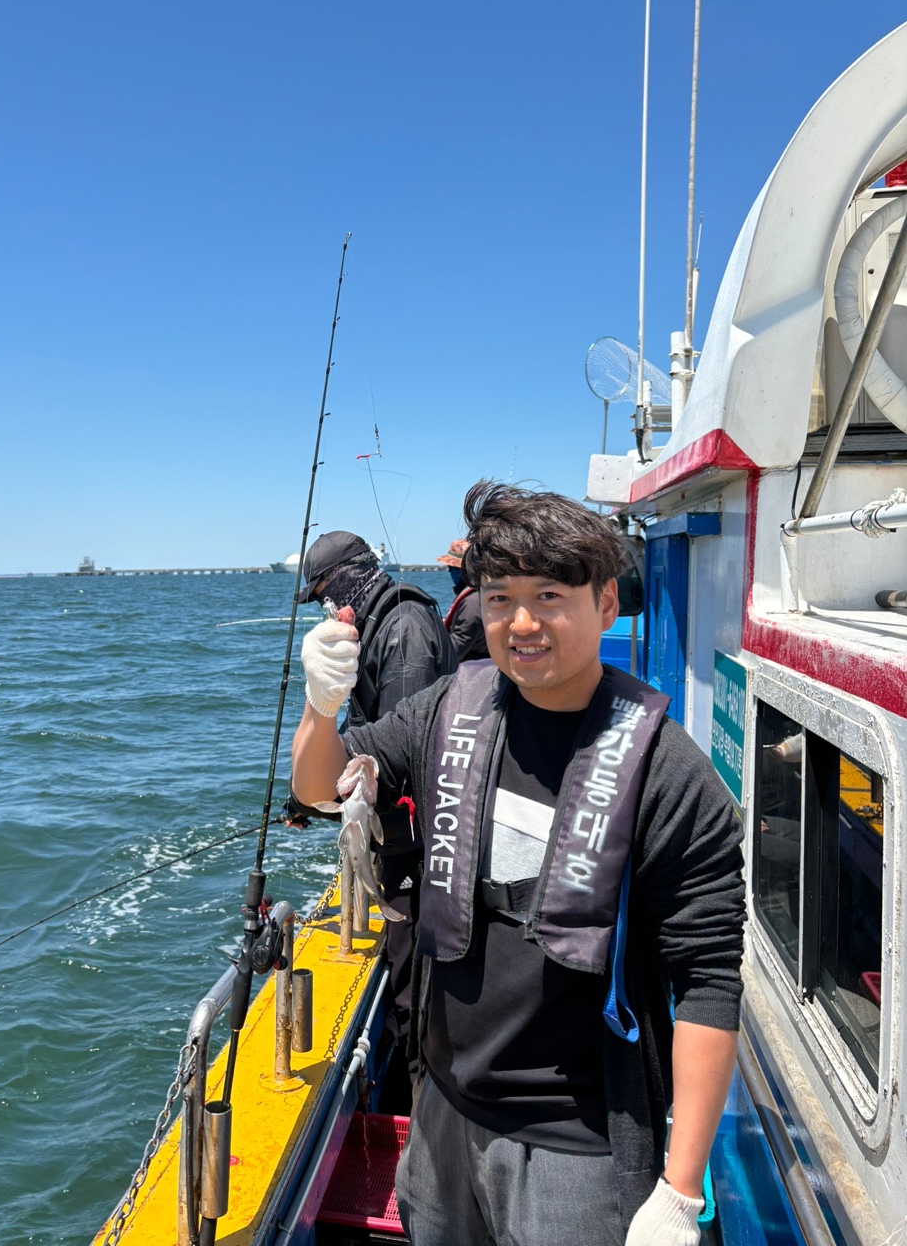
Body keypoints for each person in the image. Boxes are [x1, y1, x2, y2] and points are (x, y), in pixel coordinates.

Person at [292, 483, 744, 1246]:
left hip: (579, 1143)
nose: (522, 622)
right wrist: (321, 702)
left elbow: (708, 983)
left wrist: (681, 1188)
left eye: (550, 595)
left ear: (606, 604)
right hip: (441, 1105)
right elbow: (319, 789)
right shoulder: (448, 708)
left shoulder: (670, 772)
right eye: (500, 597)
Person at [293, 529, 456, 1072]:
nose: (326, 608)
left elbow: (398, 753)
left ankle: (419, 1089)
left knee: (413, 989)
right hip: (396, 839)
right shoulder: (376, 625)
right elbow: (361, 736)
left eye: (326, 594)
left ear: (352, 579)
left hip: (420, 846)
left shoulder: (403, 629)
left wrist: (336, 791)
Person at [437, 537, 489, 662]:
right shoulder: (478, 594)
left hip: (475, 669)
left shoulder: (472, 601)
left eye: (454, 567)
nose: (449, 570)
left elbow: (458, 646)